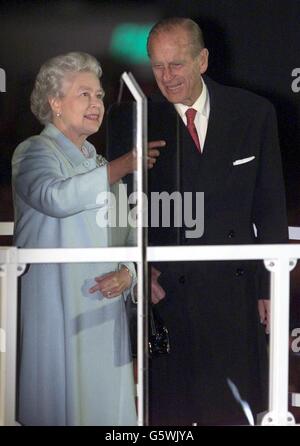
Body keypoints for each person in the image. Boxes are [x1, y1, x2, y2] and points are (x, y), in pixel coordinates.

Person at [146, 17, 288, 425]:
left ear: (203, 60)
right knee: (169, 415)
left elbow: (270, 205)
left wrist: (269, 287)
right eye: (158, 66)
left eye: (177, 64)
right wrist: (143, 271)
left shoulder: (253, 113)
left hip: (235, 291)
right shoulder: (139, 120)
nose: (167, 77)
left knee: (232, 411)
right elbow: (125, 209)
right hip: (168, 294)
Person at [11, 51, 162, 426]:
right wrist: (123, 165)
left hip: (103, 312)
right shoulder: (32, 153)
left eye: (99, 96)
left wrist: (130, 273)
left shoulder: (99, 165)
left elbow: (129, 236)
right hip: (55, 312)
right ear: (55, 102)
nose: (97, 103)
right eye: (85, 95)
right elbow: (55, 197)